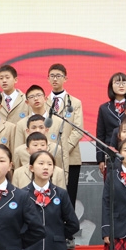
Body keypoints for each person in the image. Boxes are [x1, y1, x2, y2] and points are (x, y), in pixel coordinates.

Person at [47, 63, 85, 204]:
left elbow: (78, 129)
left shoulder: (75, 102)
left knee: (69, 198)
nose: (55, 79)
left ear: (65, 79)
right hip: (47, 156)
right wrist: (51, 150)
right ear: (48, 79)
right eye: (52, 76)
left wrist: (63, 150)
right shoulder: (43, 102)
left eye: (58, 76)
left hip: (70, 156)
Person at [97, 72, 126, 174]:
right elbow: (100, 135)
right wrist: (100, 159)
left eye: (124, 82)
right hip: (110, 152)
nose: (121, 85)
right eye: (117, 83)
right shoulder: (104, 108)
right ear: (111, 86)